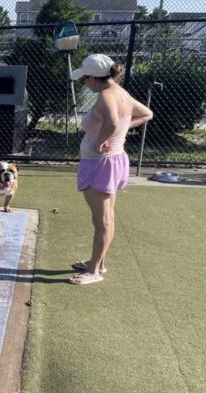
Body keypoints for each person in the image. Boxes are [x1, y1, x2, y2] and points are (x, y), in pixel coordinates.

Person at [68, 54, 153, 285]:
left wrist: (100, 141)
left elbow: (113, 122)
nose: (84, 84)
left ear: (94, 77)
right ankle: (99, 263)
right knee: (106, 218)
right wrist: (118, 132)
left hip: (100, 163)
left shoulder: (106, 96)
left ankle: (94, 271)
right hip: (112, 161)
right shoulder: (120, 92)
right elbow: (146, 114)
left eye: (84, 79)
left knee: (103, 221)